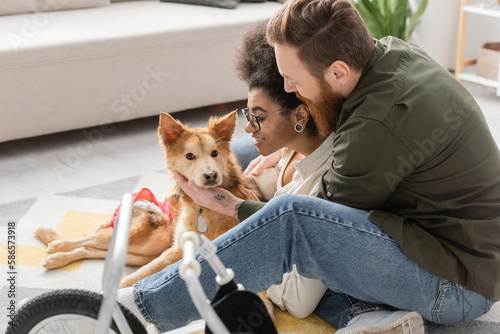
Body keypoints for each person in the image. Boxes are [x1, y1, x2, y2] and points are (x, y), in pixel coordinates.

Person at [120, 1, 500, 333]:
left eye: (292, 79)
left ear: (336, 72)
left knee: (291, 221)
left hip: (456, 285)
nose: (286, 85)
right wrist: (277, 147)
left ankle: (136, 311)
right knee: (239, 152)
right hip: (435, 236)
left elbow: (315, 225)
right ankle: (367, 318)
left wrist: (232, 207)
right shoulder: (389, 53)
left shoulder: (376, 125)